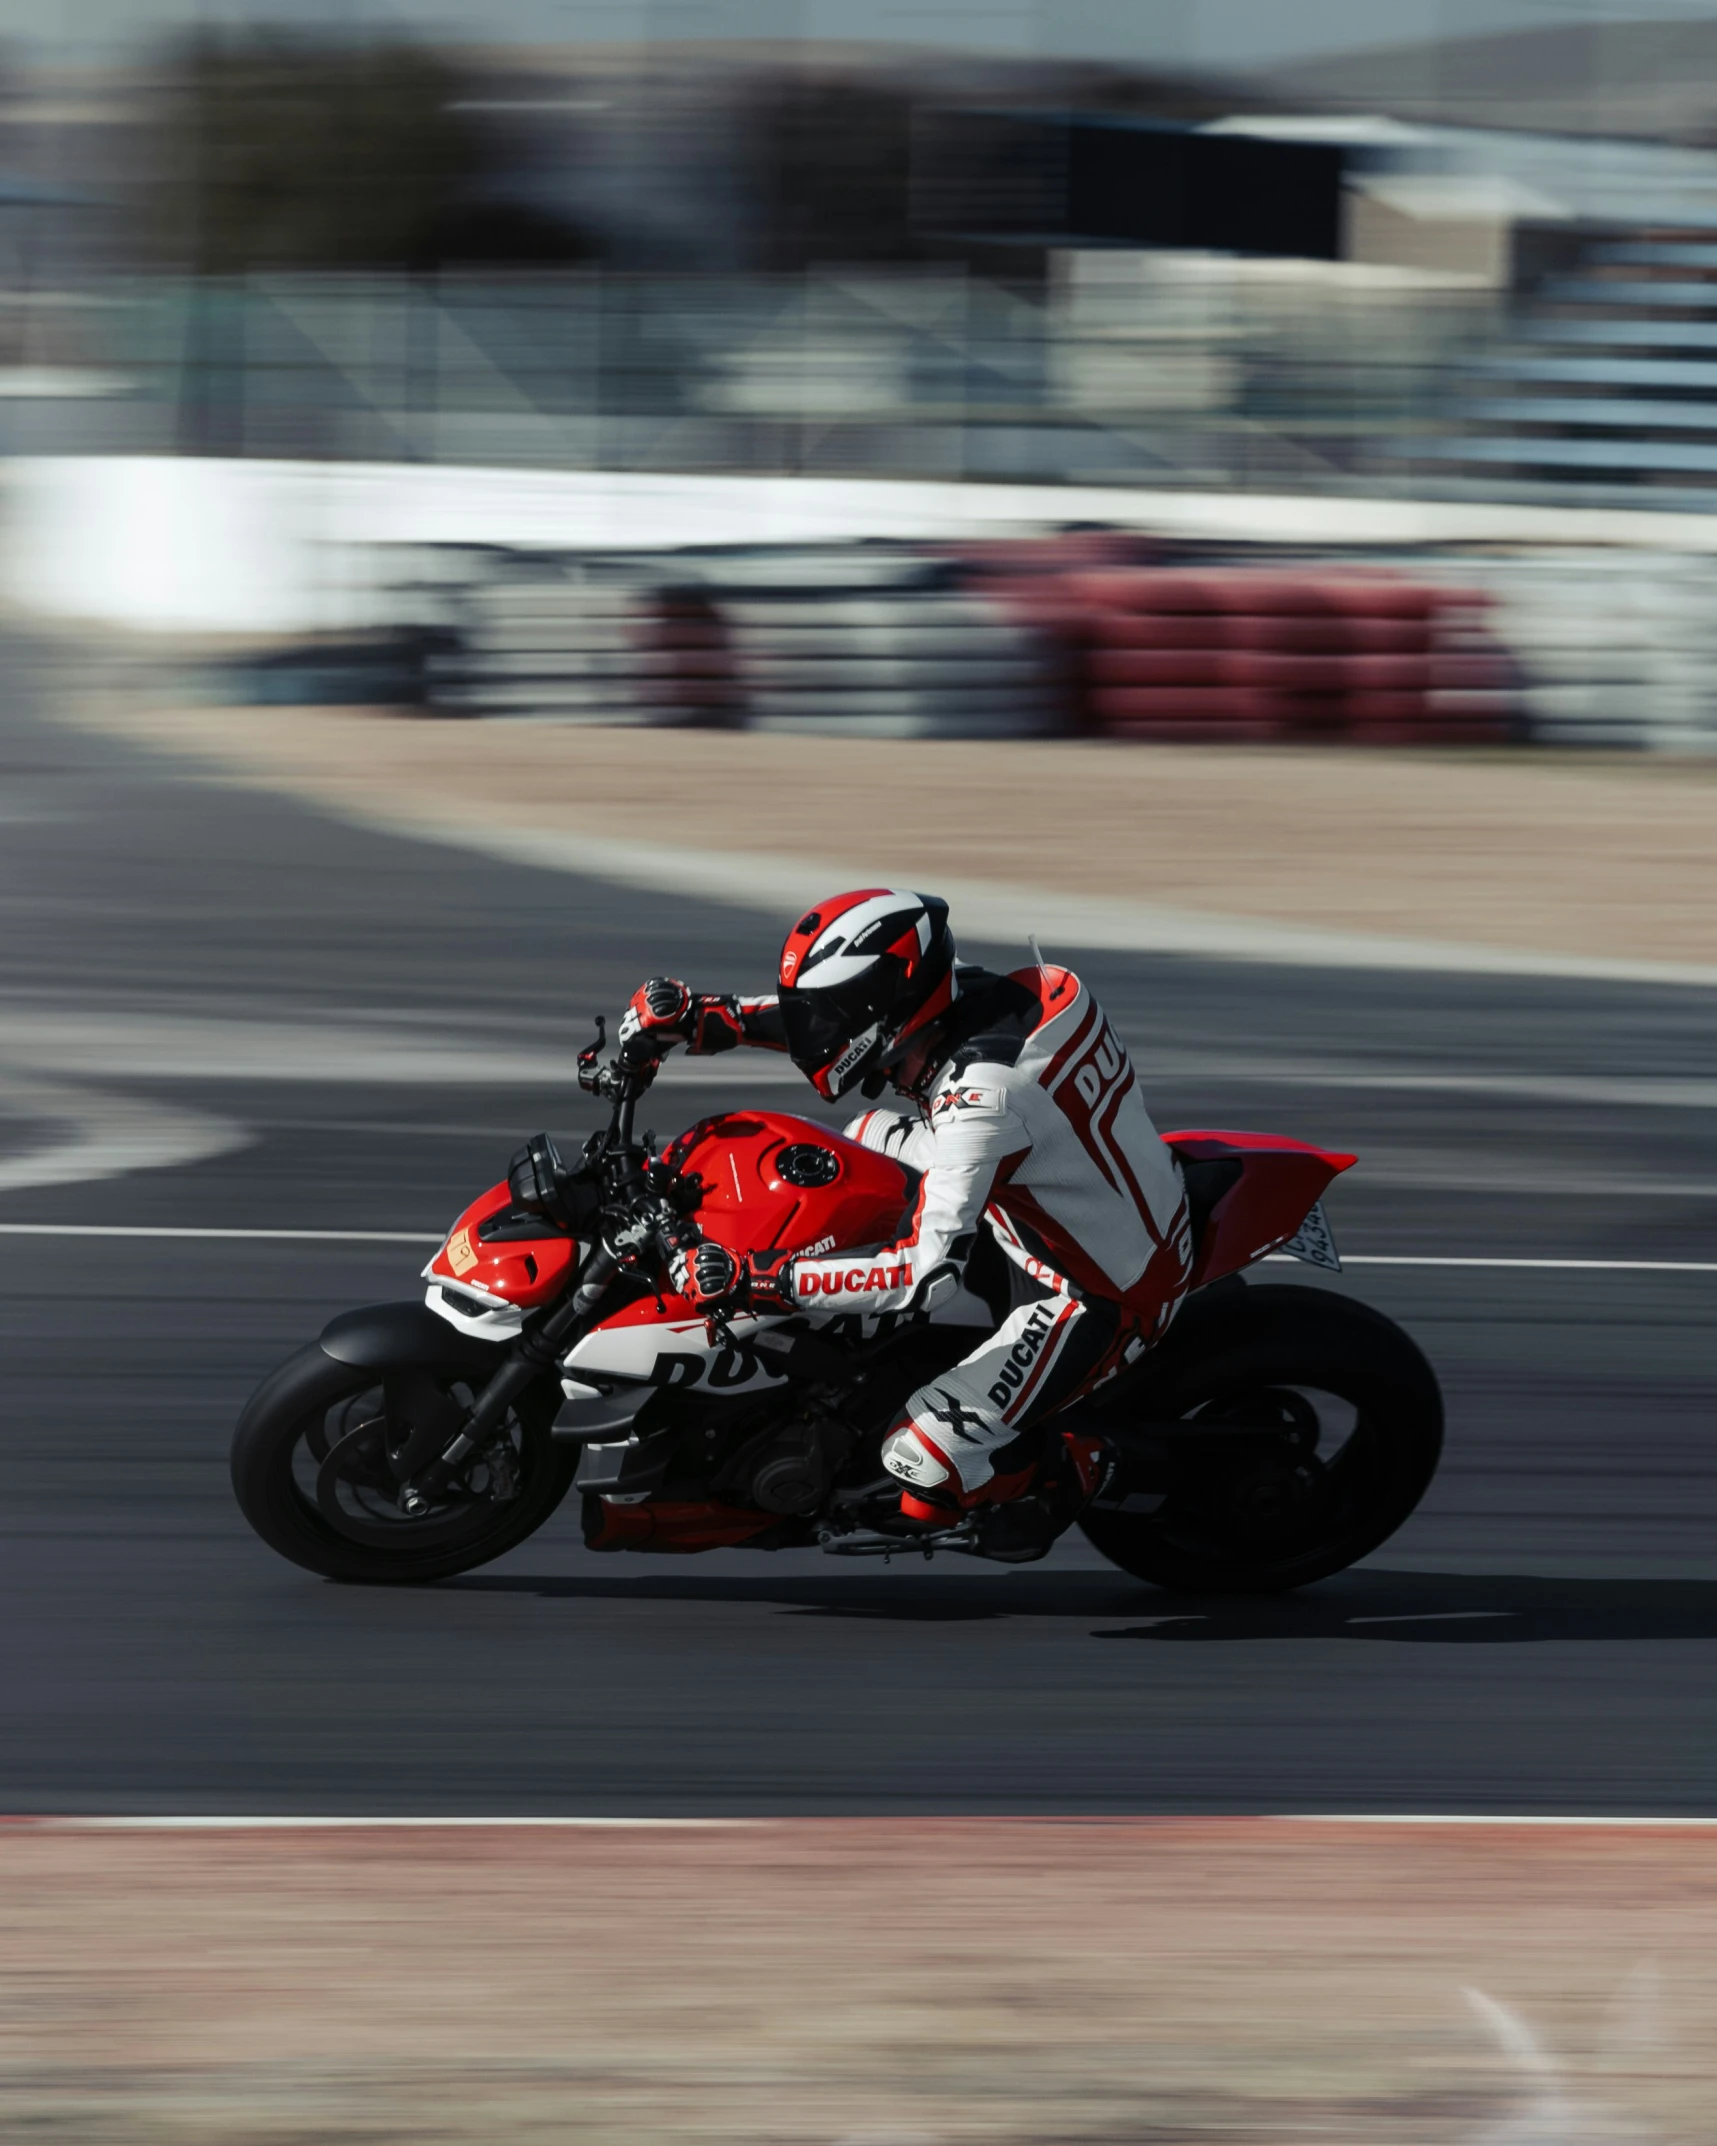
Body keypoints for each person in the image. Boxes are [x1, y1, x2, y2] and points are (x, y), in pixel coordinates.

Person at [619, 888, 1193, 1546]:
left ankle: (1087, 1471)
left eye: (831, 1011)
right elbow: (837, 1027)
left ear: (886, 1004)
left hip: (1094, 1285)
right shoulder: (978, 998)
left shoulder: (982, 1099)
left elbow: (921, 1276)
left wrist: (760, 1277)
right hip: (1055, 1191)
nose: (815, 1028)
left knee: (917, 1461)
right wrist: (706, 1018)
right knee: (855, 1139)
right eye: (815, 1010)